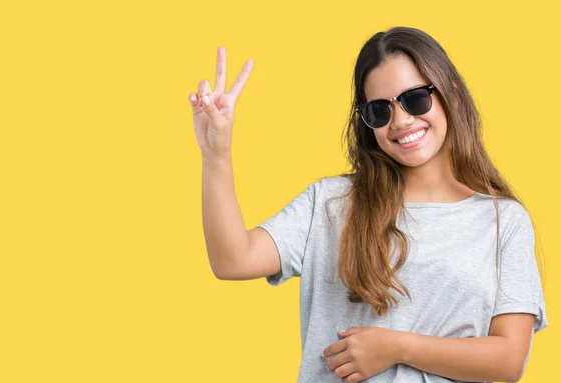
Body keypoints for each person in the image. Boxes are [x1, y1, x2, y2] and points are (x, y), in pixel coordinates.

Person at [189, 26, 548, 383]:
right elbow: (232, 259)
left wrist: (396, 348)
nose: (401, 121)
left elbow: (508, 359)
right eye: (380, 111)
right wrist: (216, 155)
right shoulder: (331, 204)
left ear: (450, 94)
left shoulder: (503, 221)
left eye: (416, 99)